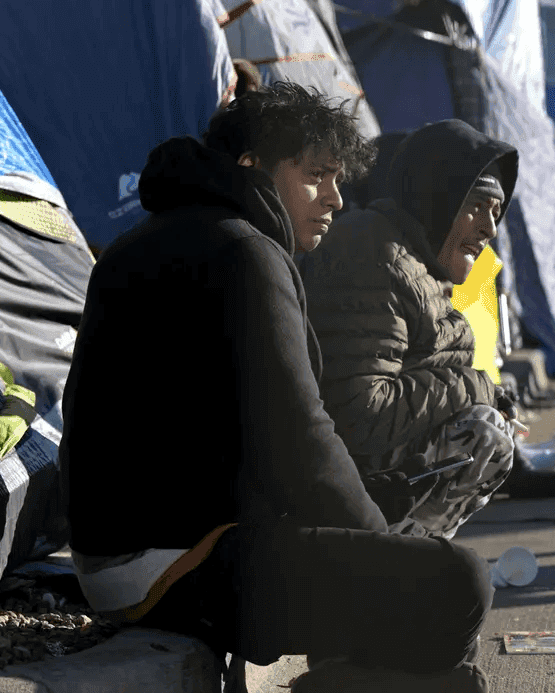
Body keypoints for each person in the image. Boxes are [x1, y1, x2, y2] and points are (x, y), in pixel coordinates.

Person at [59, 83, 492, 693]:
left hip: (136, 547)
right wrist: (381, 550)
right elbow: (300, 438)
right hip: (176, 565)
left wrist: (376, 517)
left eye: (339, 179)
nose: (336, 199)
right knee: (455, 582)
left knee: (402, 541)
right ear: (251, 166)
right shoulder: (243, 252)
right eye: (316, 175)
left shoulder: (162, 236)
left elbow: (249, 435)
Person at [299, 119, 555, 540]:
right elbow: (361, 415)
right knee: (485, 433)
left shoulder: (413, 261)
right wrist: (476, 389)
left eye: (497, 213)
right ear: (436, 196)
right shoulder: (373, 256)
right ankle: (394, 567)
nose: (489, 228)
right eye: (477, 205)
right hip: (332, 487)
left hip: (358, 472)